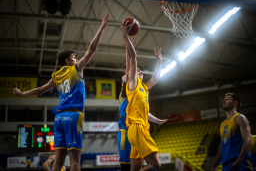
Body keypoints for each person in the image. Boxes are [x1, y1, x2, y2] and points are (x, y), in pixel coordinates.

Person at [12, 13, 110, 171]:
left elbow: (40, 90)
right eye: (74, 57)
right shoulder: (76, 69)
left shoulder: (56, 76)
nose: (76, 59)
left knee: (57, 162)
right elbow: (92, 49)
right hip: (73, 116)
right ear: (68, 60)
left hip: (59, 119)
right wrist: (101, 28)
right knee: (75, 162)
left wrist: (22, 93)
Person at [120, 20, 163, 171]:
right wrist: (125, 37)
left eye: (140, 71)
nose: (140, 72)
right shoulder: (132, 84)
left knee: (136, 168)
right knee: (156, 165)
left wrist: (159, 62)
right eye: (137, 71)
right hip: (137, 128)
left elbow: (156, 79)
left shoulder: (143, 87)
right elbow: (133, 58)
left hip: (141, 128)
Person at [211, 93, 252, 171]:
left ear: (235, 103)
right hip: (226, 165)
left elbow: (248, 140)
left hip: (240, 163)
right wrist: (214, 166)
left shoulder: (239, 117)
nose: (223, 101)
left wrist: (239, 160)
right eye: (224, 99)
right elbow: (222, 148)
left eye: (227, 99)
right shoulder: (222, 124)